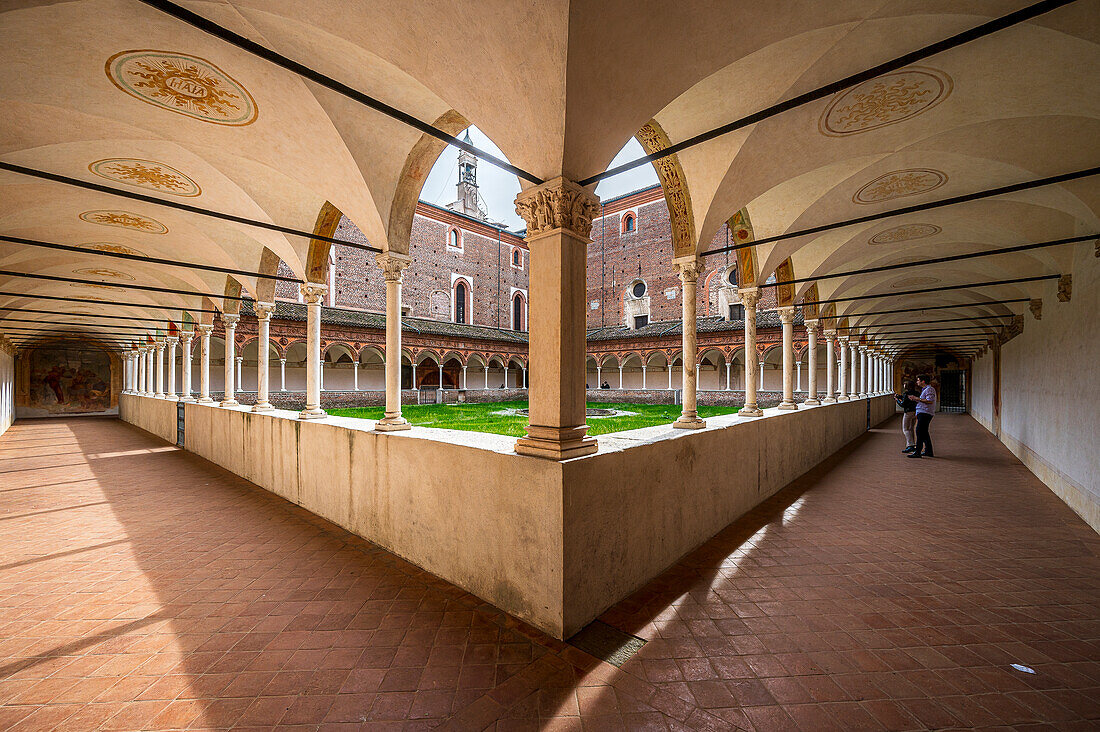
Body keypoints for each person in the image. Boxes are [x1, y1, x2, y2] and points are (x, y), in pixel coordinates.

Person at [907, 374, 937, 458]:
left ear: (923, 381)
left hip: (925, 413)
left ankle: (918, 452)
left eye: (918, 380)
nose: (917, 382)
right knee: (924, 433)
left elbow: (929, 401)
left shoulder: (929, 389)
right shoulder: (926, 389)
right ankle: (928, 451)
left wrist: (917, 398)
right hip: (923, 413)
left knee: (919, 432)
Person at [895, 379, 920, 453]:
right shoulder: (917, 393)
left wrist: (897, 400)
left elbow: (903, 404)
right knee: (911, 428)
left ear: (907, 386)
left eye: (905, 384)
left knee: (905, 429)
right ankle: (912, 444)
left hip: (908, 412)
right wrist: (899, 396)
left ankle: (910, 445)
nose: (903, 385)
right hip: (915, 412)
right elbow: (906, 399)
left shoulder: (906, 393)